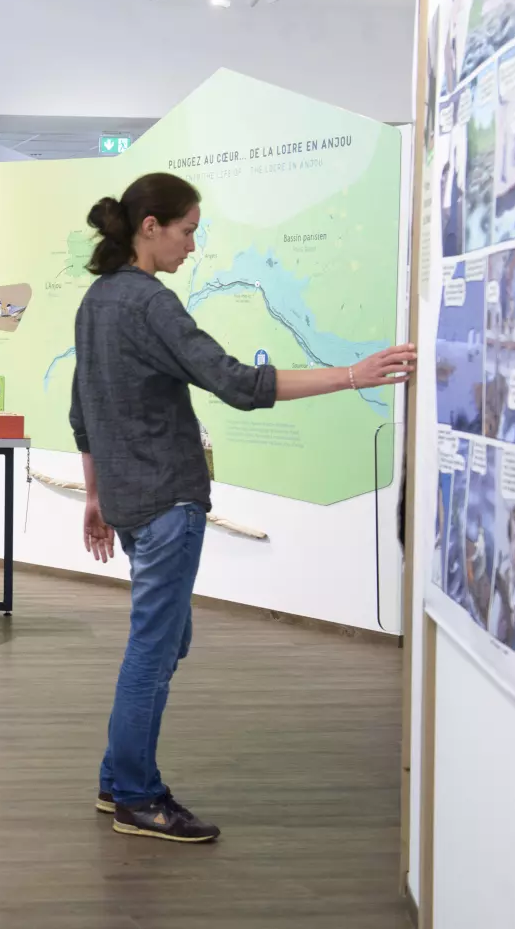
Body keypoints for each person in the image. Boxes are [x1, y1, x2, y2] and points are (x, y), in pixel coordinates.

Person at [69, 173, 413, 844]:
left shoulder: (96, 300)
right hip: (165, 501)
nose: (193, 245)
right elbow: (235, 382)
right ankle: (136, 795)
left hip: (133, 503)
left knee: (166, 642)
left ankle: (118, 779)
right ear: (150, 228)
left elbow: (82, 410)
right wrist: (352, 375)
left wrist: (95, 494)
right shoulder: (150, 302)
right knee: (154, 649)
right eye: (187, 230)